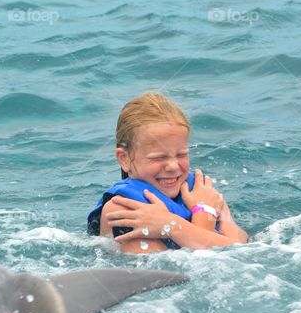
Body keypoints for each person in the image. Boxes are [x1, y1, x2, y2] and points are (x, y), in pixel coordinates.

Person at [87, 93, 248, 253]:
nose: (173, 166)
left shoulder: (202, 193)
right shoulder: (122, 208)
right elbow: (171, 272)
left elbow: (243, 250)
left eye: (181, 155)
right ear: (125, 159)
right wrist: (200, 217)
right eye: (159, 157)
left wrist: (171, 224)